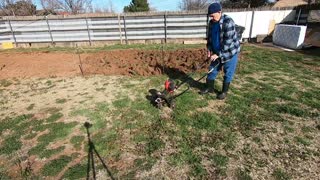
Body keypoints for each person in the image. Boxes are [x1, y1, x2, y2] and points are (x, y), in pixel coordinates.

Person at [201, 2, 240, 100]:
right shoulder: (211, 23)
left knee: (228, 73)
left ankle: (224, 92)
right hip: (216, 52)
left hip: (229, 53)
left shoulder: (228, 22)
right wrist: (209, 49)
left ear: (219, 12)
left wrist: (218, 54)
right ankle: (209, 88)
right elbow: (209, 38)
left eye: (213, 15)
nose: (212, 18)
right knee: (212, 70)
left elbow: (228, 42)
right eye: (210, 16)